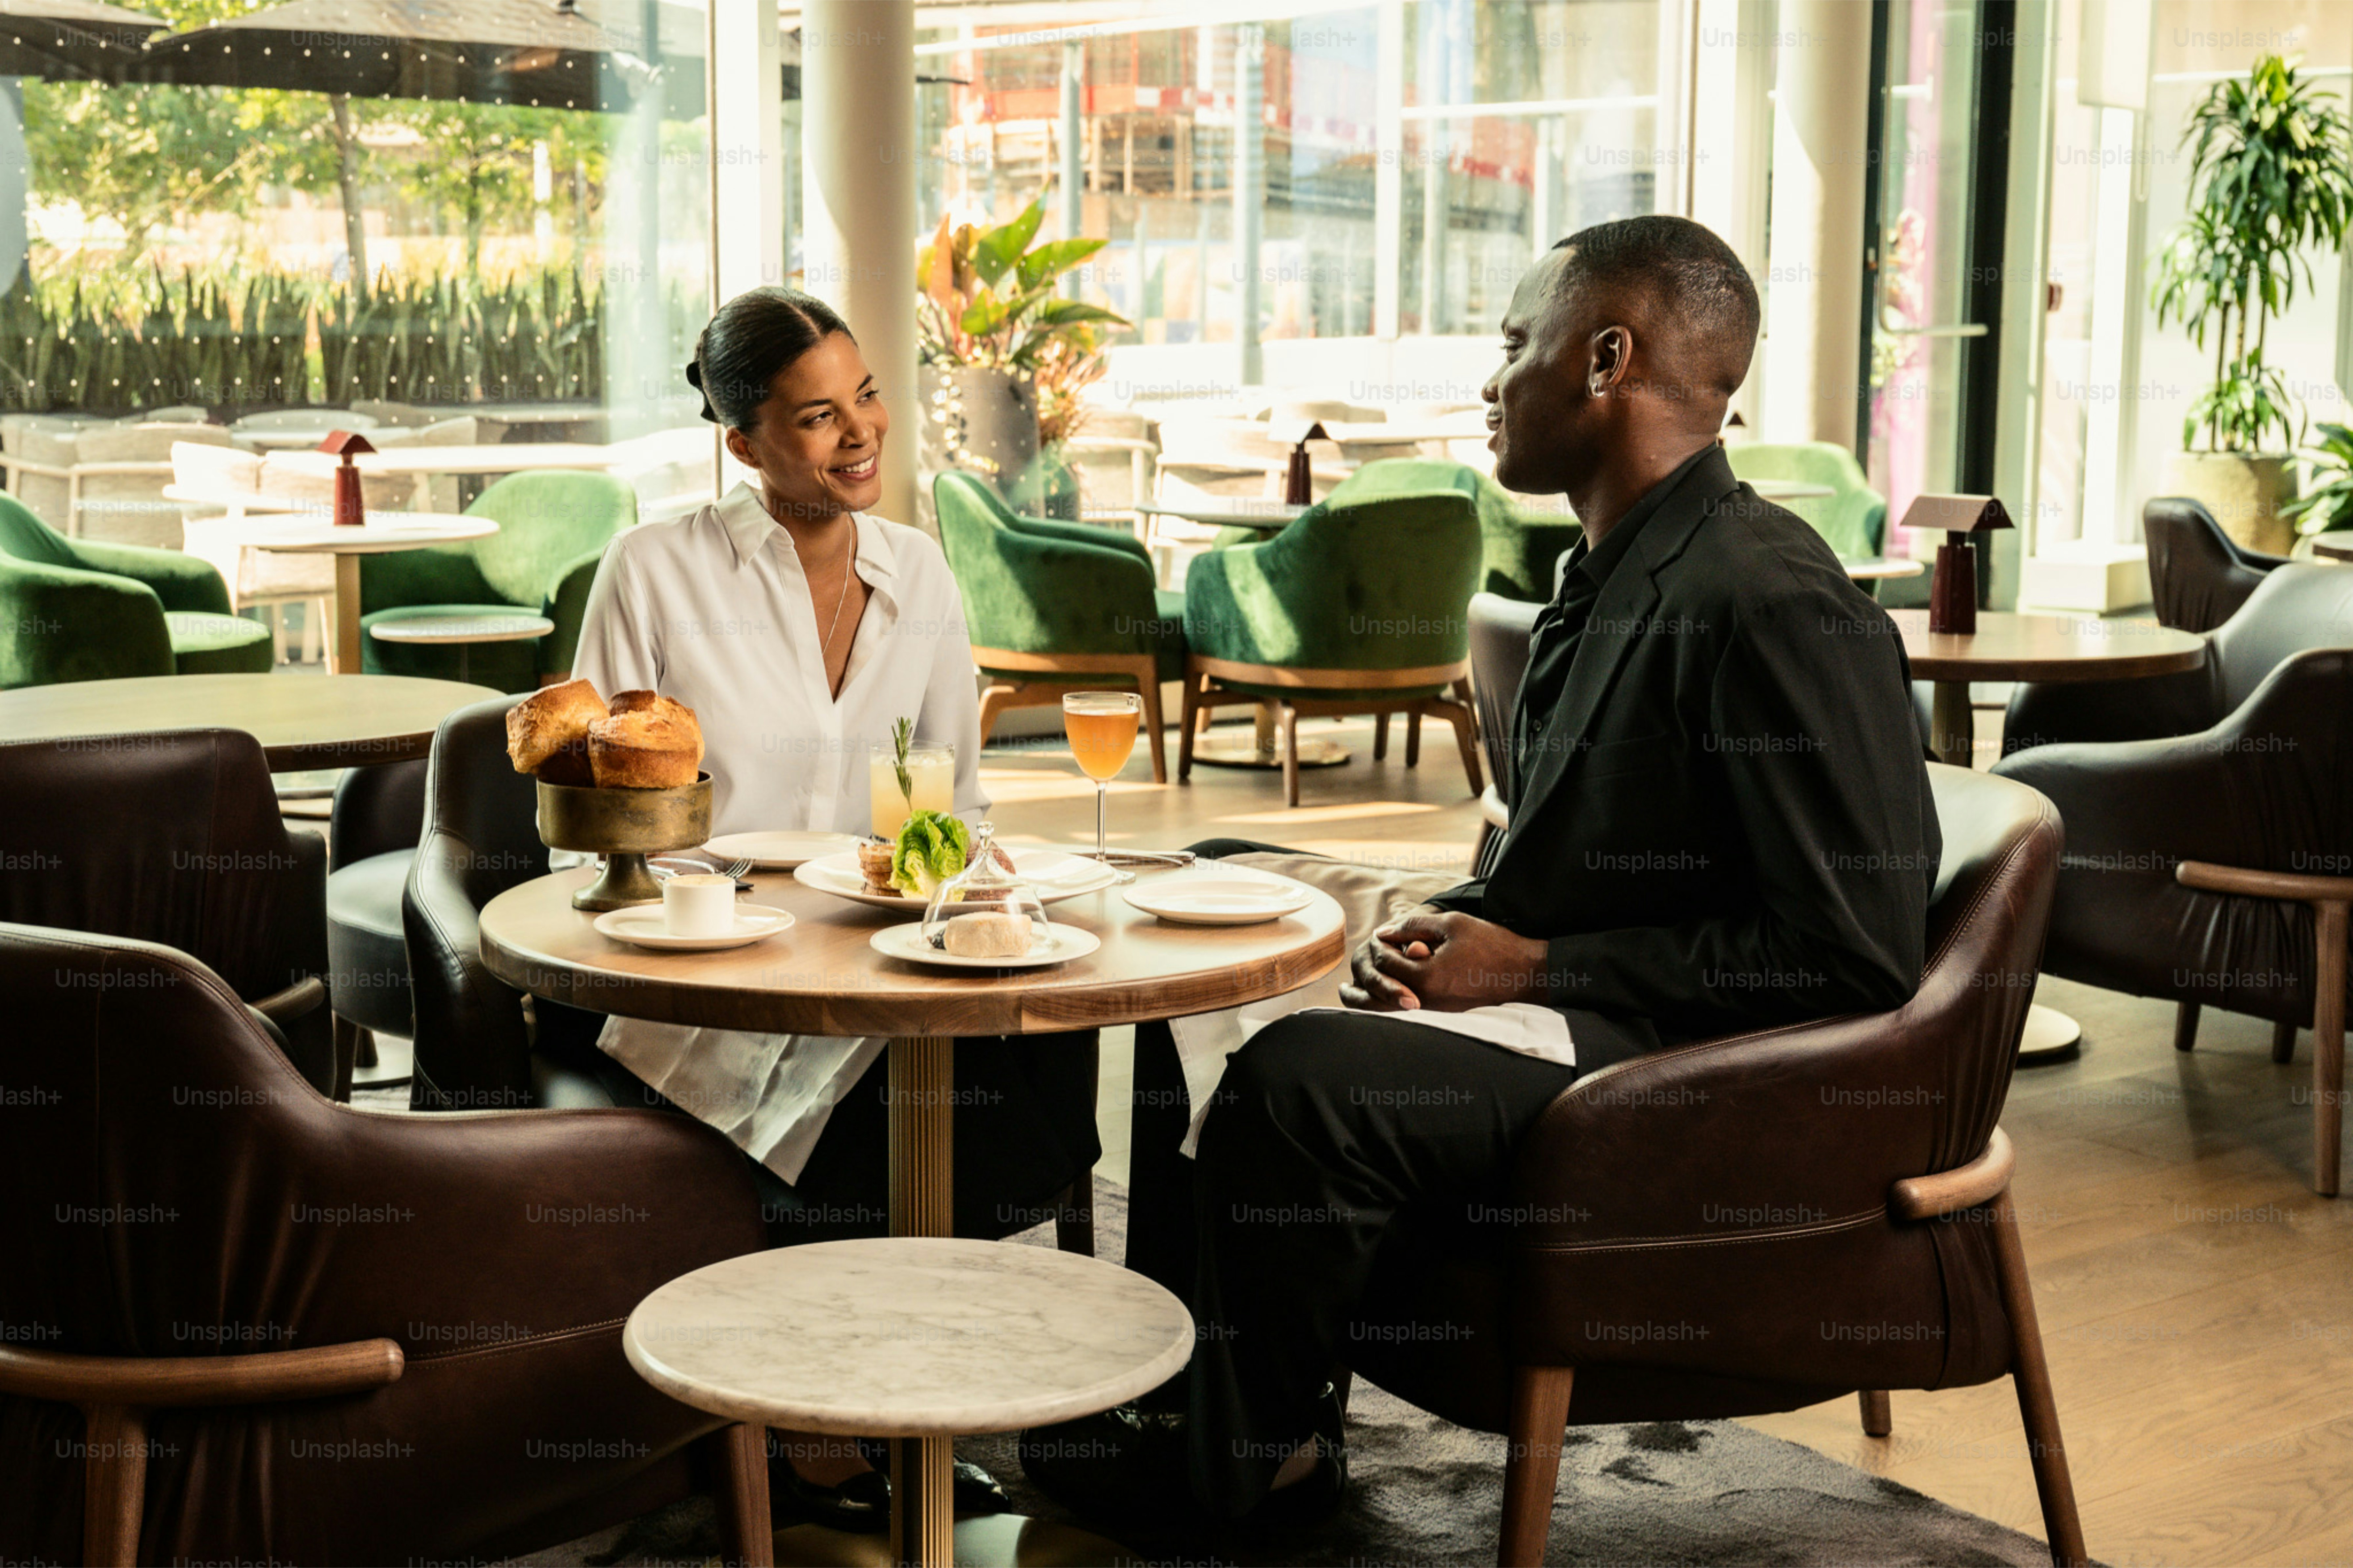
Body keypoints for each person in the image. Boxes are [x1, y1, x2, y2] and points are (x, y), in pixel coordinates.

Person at [1022, 215, 1941, 1530]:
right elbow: (1574, 862)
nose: (1492, 380)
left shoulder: (1770, 599)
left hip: (1680, 1074)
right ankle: (1187, 1401)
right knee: (1205, 943)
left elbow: (1852, 955)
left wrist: (1535, 966)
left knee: (1300, 1077)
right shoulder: (1611, 569)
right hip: (1583, 1014)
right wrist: (1446, 923)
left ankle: (1254, 1462)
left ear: (1606, 360)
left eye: (1516, 344)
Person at [565, 286, 1100, 1530]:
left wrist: (977, 889)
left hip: (886, 945)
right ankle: (816, 1426)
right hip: (706, 962)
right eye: (817, 417)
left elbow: (958, 798)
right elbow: (603, 799)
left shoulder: (919, 570)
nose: (861, 432)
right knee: (878, 1120)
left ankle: (947, 1385)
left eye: (866, 397)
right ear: (743, 442)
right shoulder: (656, 570)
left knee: (1051, 1057)